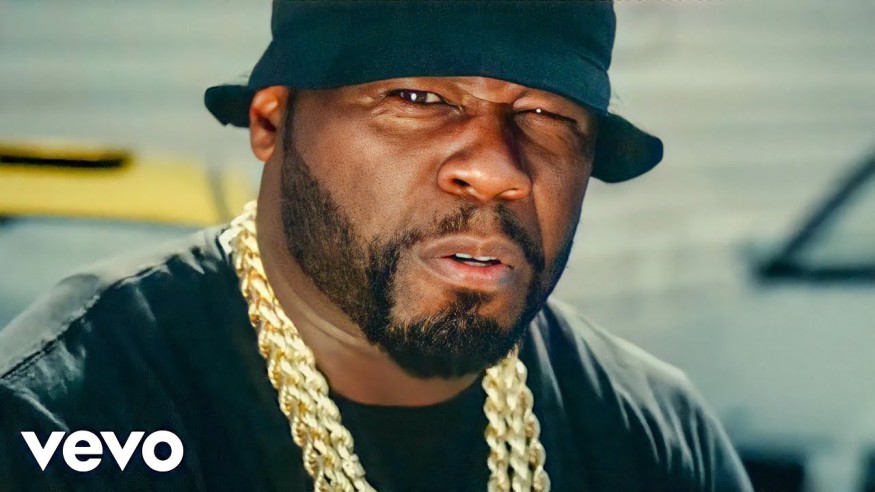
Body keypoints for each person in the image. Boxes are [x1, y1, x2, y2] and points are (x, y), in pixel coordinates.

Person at [0, 2, 752, 491]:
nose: (497, 170)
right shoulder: (64, 418)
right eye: (418, 99)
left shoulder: (654, 437)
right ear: (272, 121)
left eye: (548, 116)